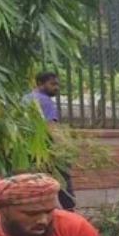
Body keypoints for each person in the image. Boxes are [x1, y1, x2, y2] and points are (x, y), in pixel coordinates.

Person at [24, 72, 75, 211]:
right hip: (47, 151)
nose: (56, 88)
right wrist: (64, 149)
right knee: (62, 188)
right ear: (40, 84)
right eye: (53, 84)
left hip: (28, 152)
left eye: (57, 84)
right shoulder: (45, 101)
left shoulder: (24, 99)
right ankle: (68, 217)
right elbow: (51, 127)